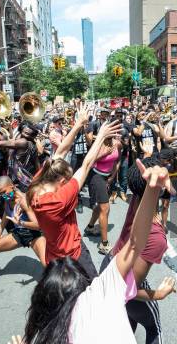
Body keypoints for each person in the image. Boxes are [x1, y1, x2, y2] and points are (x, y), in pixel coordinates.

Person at [20, 162, 173, 344]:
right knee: (153, 327)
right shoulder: (99, 297)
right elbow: (134, 244)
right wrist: (152, 189)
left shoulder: (50, 334)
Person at [27, 114, 121, 279]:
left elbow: (61, 150)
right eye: (68, 180)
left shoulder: (36, 185)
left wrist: (78, 124)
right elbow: (86, 164)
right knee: (91, 290)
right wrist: (101, 137)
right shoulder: (60, 199)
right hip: (75, 255)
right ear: (62, 181)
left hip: (53, 255)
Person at [99, 157, 176, 344]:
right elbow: (127, 290)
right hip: (124, 284)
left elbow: (146, 183)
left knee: (126, 323)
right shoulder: (157, 237)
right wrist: (159, 294)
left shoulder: (137, 196)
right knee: (153, 327)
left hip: (110, 264)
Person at [0, 176, 46, 271]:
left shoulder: (23, 201)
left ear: (12, 186)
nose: (3, 196)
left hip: (34, 235)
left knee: (47, 264)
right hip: (19, 234)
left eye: (4, 192)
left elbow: (38, 226)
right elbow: (5, 218)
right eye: (0, 194)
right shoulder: (7, 200)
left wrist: (20, 223)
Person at [84, 134, 122, 254]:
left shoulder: (118, 144)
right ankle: (104, 244)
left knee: (101, 206)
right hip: (95, 176)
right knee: (105, 208)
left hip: (107, 177)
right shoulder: (98, 143)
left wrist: (112, 176)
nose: (114, 134)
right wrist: (104, 154)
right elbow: (88, 161)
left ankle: (90, 227)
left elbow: (118, 160)